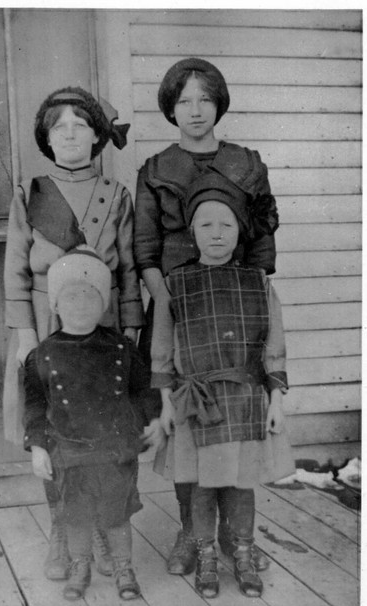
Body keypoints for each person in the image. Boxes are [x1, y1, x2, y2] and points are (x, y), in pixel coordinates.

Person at [134, 57, 279, 576]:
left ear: (219, 102)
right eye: (183, 101)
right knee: (187, 433)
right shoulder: (155, 170)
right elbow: (145, 250)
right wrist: (170, 301)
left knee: (234, 428)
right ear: (170, 109)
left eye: (204, 98)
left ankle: (235, 538)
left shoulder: (247, 162)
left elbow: (262, 247)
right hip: (179, 309)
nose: (194, 110)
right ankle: (190, 534)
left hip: (234, 314)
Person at [3, 86, 145, 581]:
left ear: (97, 136)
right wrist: (25, 337)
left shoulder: (117, 195)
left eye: (80, 125)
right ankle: (63, 532)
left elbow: (127, 268)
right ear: (46, 136)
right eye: (58, 126)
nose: (69, 134)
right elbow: (16, 271)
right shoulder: (30, 193)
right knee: (58, 431)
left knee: (102, 428)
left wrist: (129, 327)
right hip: (45, 321)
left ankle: (106, 530)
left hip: (102, 325)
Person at [149, 169, 294, 599]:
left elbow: (274, 348)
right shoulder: (176, 285)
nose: (217, 234)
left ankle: (244, 552)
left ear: (241, 231)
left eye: (227, 224)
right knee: (200, 485)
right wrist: (164, 404)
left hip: (245, 398)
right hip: (195, 400)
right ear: (191, 232)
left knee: (241, 484)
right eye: (206, 225)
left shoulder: (258, 283)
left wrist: (276, 401)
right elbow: (161, 349)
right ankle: (206, 553)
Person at [23, 246, 147, 601]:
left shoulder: (122, 348)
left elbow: (142, 394)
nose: (80, 304)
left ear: (104, 304)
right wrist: (38, 448)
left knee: (117, 513)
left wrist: (138, 430)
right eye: (71, 296)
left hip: (113, 449)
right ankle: (80, 566)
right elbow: (34, 405)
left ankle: (124, 567)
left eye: (90, 295)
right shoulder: (43, 354)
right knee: (75, 515)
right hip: (68, 449)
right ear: (56, 305)